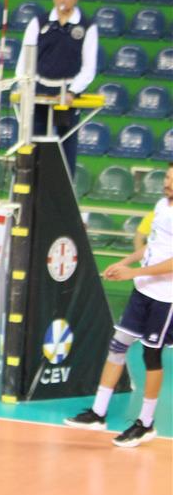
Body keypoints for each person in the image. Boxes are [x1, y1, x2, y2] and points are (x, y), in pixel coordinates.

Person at [65, 164, 172, 447]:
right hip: (142, 291)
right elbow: (153, 246)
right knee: (117, 345)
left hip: (165, 298)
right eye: (167, 177)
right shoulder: (162, 205)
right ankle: (98, 412)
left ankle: (146, 424)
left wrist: (133, 272)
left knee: (151, 356)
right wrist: (123, 263)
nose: (167, 183)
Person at [15, 0, 98, 176]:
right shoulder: (38, 23)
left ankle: (64, 190)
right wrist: (25, 87)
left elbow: (89, 68)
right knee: (33, 144)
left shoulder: (87, 27)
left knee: (66, 147)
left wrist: (72, 92)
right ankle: (30, 188)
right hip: (38, 92)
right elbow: (24, 61)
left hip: (67, 96)